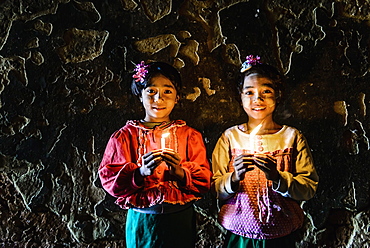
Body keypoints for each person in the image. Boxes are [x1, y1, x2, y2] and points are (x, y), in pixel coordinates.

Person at [98, 61, 212, 248]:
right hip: (143, 222)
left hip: (179, 220)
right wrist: (140, 173)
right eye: (151, 91)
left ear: (177, 97)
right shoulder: (125, 137)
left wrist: (180, 173)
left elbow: (205, 181)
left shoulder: (189, 136)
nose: (158, 98)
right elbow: (110, 179)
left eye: (167, 91)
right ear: (140, 95)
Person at [211, 55, 319, 248]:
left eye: (266, 92)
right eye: (249, 92)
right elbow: (215, 189)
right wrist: (234, 178)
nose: (257, 99)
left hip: (281, 233)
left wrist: (277, 177)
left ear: (277, 95)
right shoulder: (229, 138)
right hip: (239, 234)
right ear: (240, 96)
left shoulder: (291, 138)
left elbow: (308, 188)